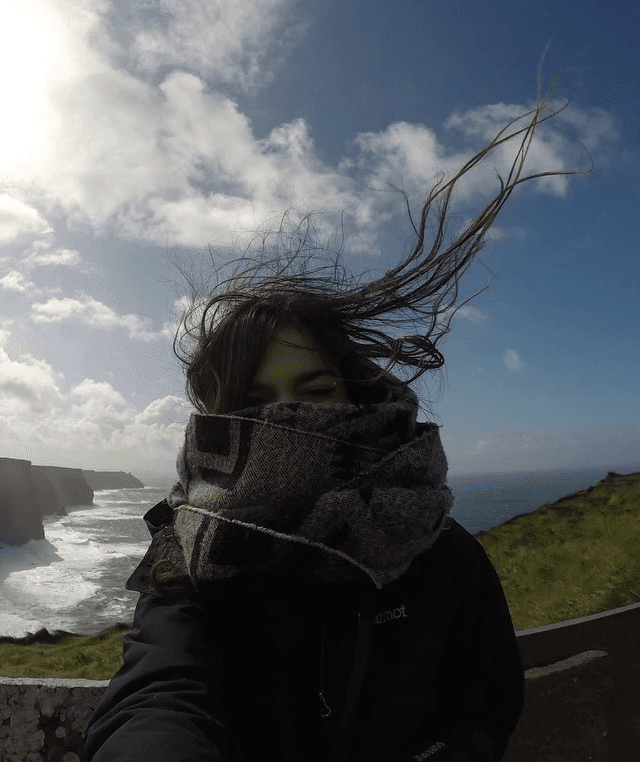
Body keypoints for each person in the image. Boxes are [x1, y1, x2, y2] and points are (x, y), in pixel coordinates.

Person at [82, 87, 590, 762]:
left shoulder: (438, 551)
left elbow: (483, 706)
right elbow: (162, 691)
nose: (289, 421)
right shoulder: (194, 556)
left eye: (314, 390)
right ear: (223, 424)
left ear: (355, 396)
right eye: (257, 402)